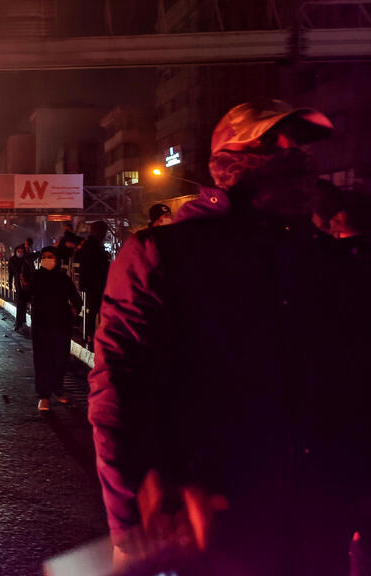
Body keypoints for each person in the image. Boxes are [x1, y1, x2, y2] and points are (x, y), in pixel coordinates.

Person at [88, 99, 371, 574]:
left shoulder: (330, 262)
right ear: (233, 156)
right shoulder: (163, 256)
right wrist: (130, 522)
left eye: (298, 144)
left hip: (321, 518)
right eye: (274, 142)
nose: (293, 154)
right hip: (213, 527)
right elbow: (118, 392)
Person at [27, 247, 82, 413]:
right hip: (41, 325)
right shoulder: (36, 277)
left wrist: (72, 312)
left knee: (60, 359)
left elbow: (76, 300)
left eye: (50, 257)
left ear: (56, 259)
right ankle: (44, 396)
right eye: (43, 257)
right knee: (42, 361)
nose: (46, 260)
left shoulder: (62, 278)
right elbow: (25, 294)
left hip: (60, 325)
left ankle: (57, 389)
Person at [74, 220, 110, 345]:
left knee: (94, 310)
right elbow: (94, 264)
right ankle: (91, 336)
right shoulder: (92, 245)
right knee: (95, 310)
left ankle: (92, 335)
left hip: (94, 283)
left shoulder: (92, 244)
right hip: (95, 283)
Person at [8, 244, 31, 330]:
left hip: (28, 284)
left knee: (25, 304)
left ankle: (22, 322)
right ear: (15, 252)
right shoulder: (12, 260)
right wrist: (10, 286)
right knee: (20, 304)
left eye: (22, 252)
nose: (20, 253)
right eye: (19, 251)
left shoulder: (26, 260)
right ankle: (18, 323)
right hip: (18, 285)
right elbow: (10, 274)